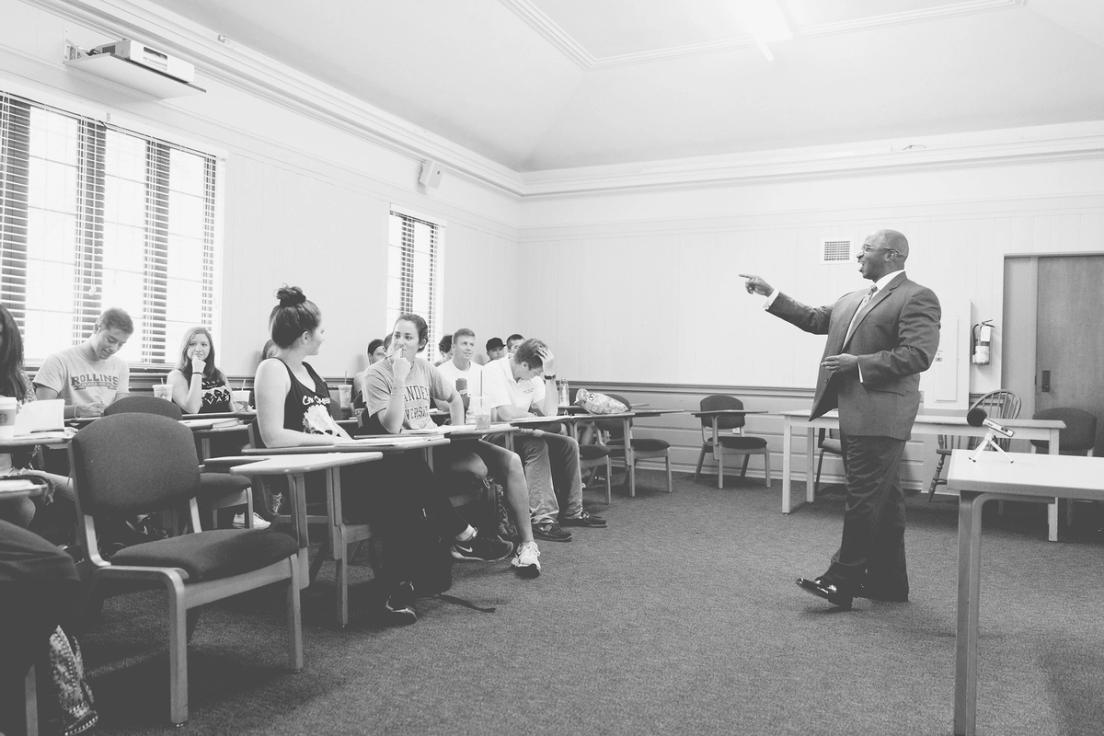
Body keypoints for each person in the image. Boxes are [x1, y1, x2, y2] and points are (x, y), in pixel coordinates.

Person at [254, 287, 507, 623]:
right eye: (320, 331)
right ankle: (457, 538)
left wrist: (344, 440)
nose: (323, 337)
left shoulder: (309, 373)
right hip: (312, 477)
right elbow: (272, 437)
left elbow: (324, 424)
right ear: (304, 336)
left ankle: (403, 585)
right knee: (401, 482)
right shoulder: (273, 369)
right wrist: (336, 444)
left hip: (339, 462)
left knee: (405, 475)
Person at [740, 228, 940, 610]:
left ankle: (840, 581)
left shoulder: (917, 297)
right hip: (856, 415)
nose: (858, 256)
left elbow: (917, 354)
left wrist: (858, 364)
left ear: (894, 255)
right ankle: (888, 583)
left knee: (863, 499)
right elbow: (816, 319)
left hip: (883, 417)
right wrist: (772, 294)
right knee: (884, 502)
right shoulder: (853, 299)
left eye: (866, 249)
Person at [362, 316, 541, 576]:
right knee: (477, 466)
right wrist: (399, 378)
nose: (400, 342)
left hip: (438, 441)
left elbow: (455, 398)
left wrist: (457, 432)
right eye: (397, 335)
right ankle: (465, 537)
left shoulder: (424, 368)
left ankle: (527, 544)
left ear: (421, 343)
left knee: (511, 459)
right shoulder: (376, 373)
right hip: (409, 453)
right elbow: (390, 426)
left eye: (408, 337)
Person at [483, 338, 607, 542]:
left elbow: (549, 411)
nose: (538, 376)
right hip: (494, 435)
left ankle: (572, 511)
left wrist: (549, 376)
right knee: (537, 444)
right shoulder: (493, 370)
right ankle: (543, 520)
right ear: (523, 365)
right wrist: (533, 420)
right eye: (537, 372)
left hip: (521, 431)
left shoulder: (533, 377)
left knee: (568, 444)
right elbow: (505, 413)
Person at [167, 327, 270, 530]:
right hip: (200, 437)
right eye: (193, 343)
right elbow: (192, 408)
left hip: (228, 431)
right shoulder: (177, 375)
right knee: (245, 450)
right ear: (185, 347)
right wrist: (197, 370)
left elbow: (233, 407)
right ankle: (240, 513)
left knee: (257, 444)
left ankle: (250, 509)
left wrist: (245, 409)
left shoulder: (219, 374)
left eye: (204, 344)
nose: (199, 348)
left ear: (210, 349)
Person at [34, 307, 132, 418]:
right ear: (96, 329)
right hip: (70, 432)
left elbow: (121, 410)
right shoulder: (58, 361)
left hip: (107, 430)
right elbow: (40, 410)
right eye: (111, 340)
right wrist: (76, 411)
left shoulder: (121, 366)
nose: (114, 349)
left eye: (120, 344)